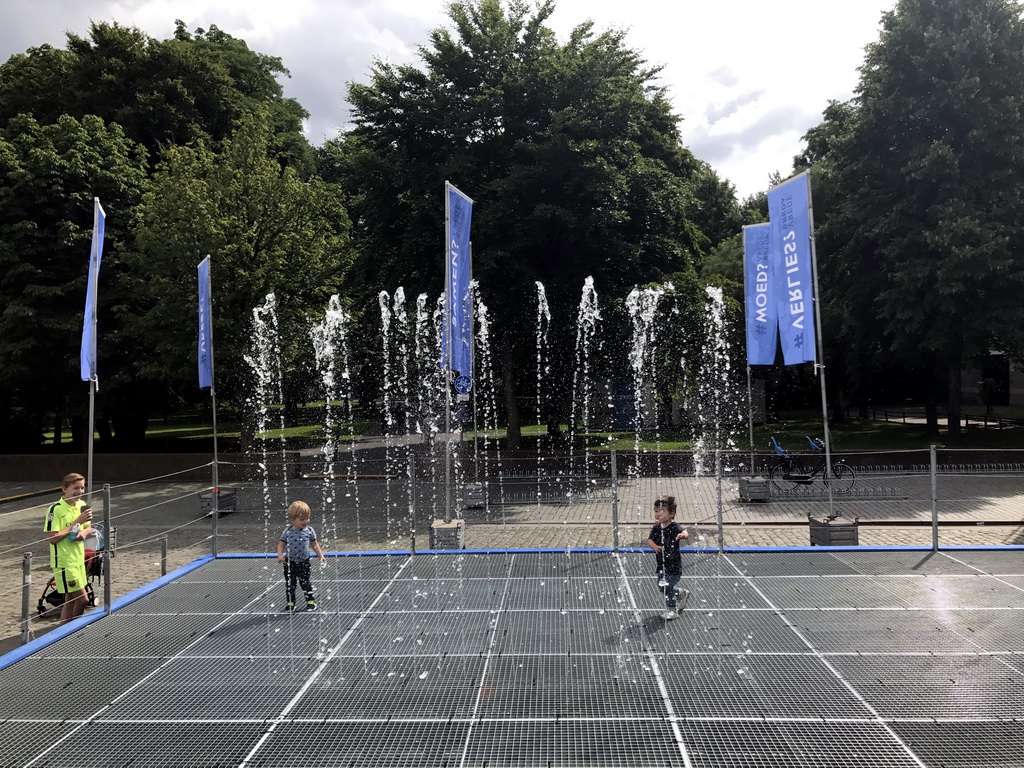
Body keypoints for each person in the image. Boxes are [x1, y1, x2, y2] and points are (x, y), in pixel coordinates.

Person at [43, 473, 95, 625]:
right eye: (75, 488)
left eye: (82, 487)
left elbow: (89, 528)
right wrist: (76, 523)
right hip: (65, 562)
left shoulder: (81, 505)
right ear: (64, 489)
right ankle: (73, 629)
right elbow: (53, 538)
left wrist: (83, 533)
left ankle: (62, 631)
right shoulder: (55, 509)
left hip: (78, 558)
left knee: (70, 600)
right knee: (83, 599)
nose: (80, 491)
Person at [277, 500, 326, 611]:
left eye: (307, 518)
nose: (306, 521)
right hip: (290, 562)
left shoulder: (309, 531)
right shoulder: (287, 532)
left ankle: (310, 600)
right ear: (293, 519)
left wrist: (320, 556)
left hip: (304, 562)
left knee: (306, 582)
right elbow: (281, 544)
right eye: (302, 519)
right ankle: (291, 603)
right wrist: (280, 556)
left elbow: (315, 544)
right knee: (290, 584)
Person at [646, 495, 689, 620]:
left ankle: (672, 610)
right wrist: (654, 547)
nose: (658, 514)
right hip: (661, 565)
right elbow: (649, 540)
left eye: (662, 511)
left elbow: (685, 532)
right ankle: (681, 593)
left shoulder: (674, 527)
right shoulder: (656, 528)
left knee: (667, 587)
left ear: (671, 514)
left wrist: (682, 535)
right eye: (656, 511)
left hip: (674, 565)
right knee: (662, 587)